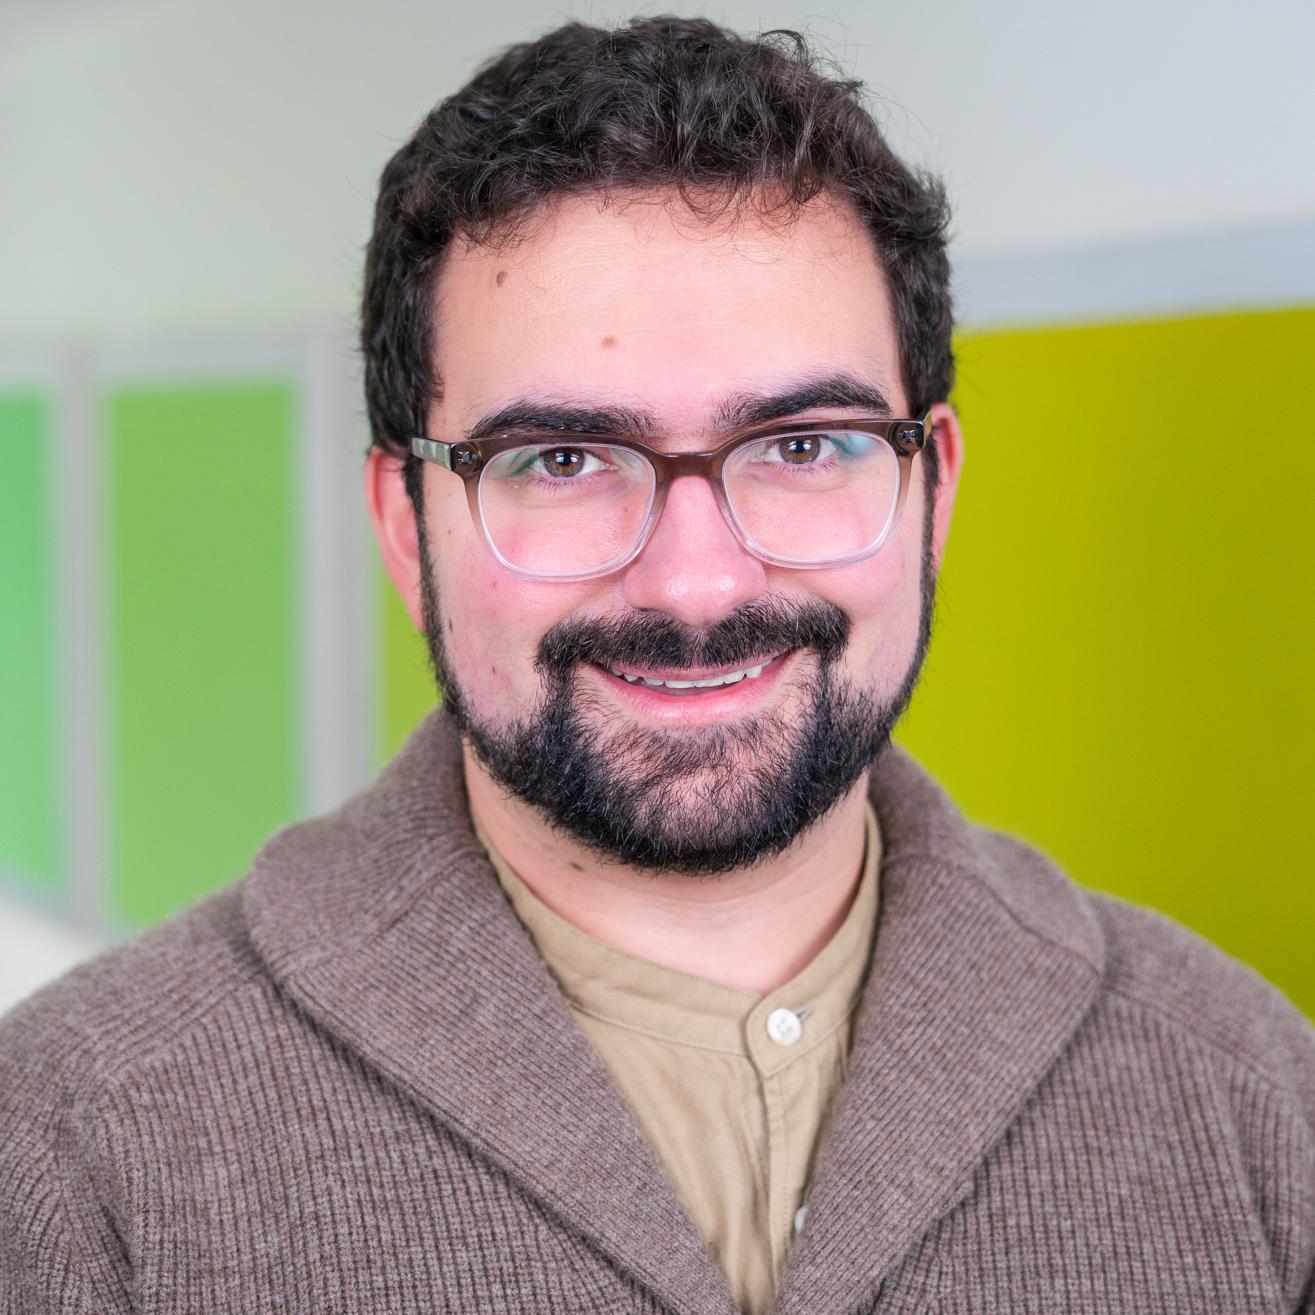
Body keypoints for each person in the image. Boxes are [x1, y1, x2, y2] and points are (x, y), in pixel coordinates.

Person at [2, 15, 1313, 1314]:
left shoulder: (1257, 1101)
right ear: (409, 526)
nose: (697, 583)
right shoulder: (71, 1152)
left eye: (804, 444)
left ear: (935, 492)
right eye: (563, 460)